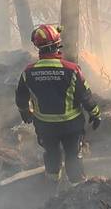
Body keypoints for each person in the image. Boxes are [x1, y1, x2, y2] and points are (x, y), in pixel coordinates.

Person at [16, 23, 101, 184]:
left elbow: (20, 97)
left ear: (38, 48)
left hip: (45, 127)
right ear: (57, 45)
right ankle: (78, 188)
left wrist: (25, 112)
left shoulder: (28, 72)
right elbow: (86, 96)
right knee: (73, 156)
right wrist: (95, 114)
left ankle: (52, 188)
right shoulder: (72, 70)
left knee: (52, 155)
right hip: (71, 126)